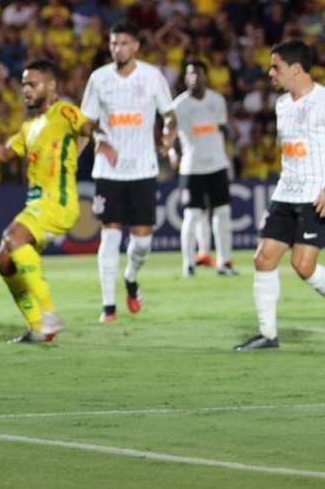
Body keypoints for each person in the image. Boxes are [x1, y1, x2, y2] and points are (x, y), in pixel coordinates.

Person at [0, 59, 117, 343]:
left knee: (13, 237)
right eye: (24, 84)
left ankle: (49, 315)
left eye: (32, 84)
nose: (26, 89)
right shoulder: (29, 127)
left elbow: (89, 127)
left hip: (58, 202)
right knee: (3, 261)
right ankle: (38, 327)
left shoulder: (64, 111)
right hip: (37, 204)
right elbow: (2, 153)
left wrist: (102, 141)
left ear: (51, 86)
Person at [81, 21, 176, 323]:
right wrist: (99, 138)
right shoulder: (98, 79)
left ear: (135, 46)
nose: (117, 49)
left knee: (143, 243)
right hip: (108, 171)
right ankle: (108, 307)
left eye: (123, 43)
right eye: (113, 43)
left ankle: (131, 278)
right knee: (109, 236)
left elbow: (169, 114)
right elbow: (86, 122)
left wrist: (169, 136)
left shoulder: (152, 76)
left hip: (143, 168)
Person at [236, 40, 325, 350]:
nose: (270, 72)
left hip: (315, 195)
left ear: (296, 68)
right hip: (286, 192)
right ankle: (268, 335)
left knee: (303, 266)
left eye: (276, 67)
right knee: (264, 258)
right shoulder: (282, 105)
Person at [170, 60, 237, 277]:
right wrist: (172, 153)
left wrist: (227, 151)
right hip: (192, 167)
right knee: (192, 215)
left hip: (217, 164)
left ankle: (224, 262)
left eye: (198, 73)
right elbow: (170, 135)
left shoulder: (217, 100)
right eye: (190, 74)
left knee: (223, 213)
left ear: (205, 76)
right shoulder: (179, 105)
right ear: (185, 78)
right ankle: (188, 264)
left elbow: (222, 129)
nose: (194, 77)